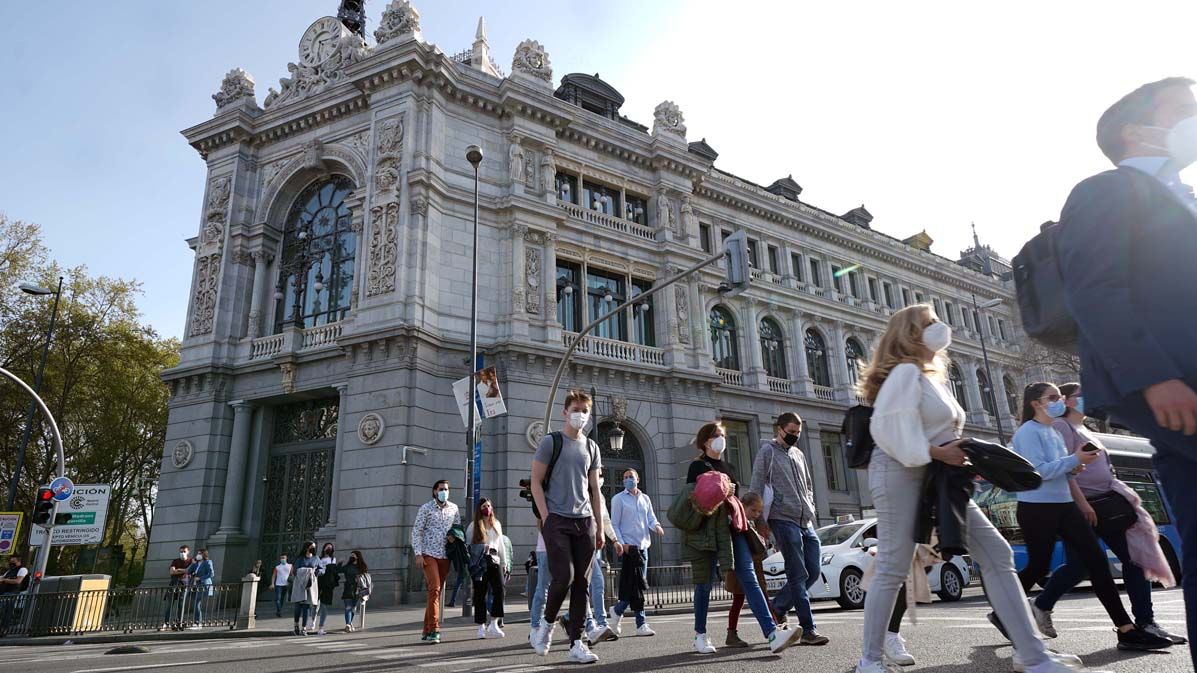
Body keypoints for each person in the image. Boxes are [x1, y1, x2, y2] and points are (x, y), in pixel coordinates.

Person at [855, 304, 1096, 673]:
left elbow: (938, 429)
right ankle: (869, 661)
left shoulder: (932, 378)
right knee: (893, 564)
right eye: (930, 323)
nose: (940, 328)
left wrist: (963, 455)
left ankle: (1032, 655)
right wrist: (938, 451)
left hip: (942, 475)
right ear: (911, 334)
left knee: (997, 554)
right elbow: (886, 430)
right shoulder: (904, 373)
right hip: (899, 471)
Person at [1056, 76, 1197, 664]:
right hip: (1176, 380)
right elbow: (1096, 288)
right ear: (1138, 131)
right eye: (1184, 110)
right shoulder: (1107, 190)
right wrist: (1153, 375)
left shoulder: (1181, 196)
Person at [1008, 382, 1170, 651]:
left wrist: (1077, 465)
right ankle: (1005, 611)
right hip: (1039, 508)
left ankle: (1127, 629)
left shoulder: (1052, 431)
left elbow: (1064, 469)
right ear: (1035, 403)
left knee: (1096, 565)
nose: (1058, 401)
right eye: (1052, 397)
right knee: (1038, 567)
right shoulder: (1028, 432)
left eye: (1060, 397)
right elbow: (1039, 471)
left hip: (1064, 505)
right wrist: (1075, 461)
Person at [682, 422, 801, 655]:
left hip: (734, 528)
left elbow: (737, 502)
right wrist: (719, 490)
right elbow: (693, 501)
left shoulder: (729, 466)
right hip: (708, 529)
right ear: (705, 440)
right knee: (704, 584)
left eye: (723, 435)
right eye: (716, 435)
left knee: (749, 577)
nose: (721, 439)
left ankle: (772, 633)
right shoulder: (696, 467)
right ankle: (700, 635)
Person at [529, 389, 604, 664]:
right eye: (576, 409)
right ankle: (546, 626)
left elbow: (595, 489)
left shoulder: (592, 447)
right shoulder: (552, 442)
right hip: (557, 520)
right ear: (565, 411)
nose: (581, 415)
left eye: (585, 410)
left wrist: (598, 523)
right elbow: (535, 480)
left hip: (585, 522)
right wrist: (546, 516)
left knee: (582, 583)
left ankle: (577, 642)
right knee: (565, 577)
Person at [749, 412, 826, 646]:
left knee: (813, 570)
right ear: (779, 429)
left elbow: (809, 486)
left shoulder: (799, 454)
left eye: (798, 433)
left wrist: (810, 505)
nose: (795, 436)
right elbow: (756, 485)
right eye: (791, 432)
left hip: (805, 520)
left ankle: (779, 605)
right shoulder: (768, 452)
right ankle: (809, 629)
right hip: (782, 519)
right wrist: (759, 521)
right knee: (797, 573)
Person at [561, 473, 617, 645]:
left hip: (594, 545)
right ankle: (594, 625)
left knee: (596, 584)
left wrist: (614, 540)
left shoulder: (598, 494)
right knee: (588, 584)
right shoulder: (577, 489)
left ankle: (572, 618)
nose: (599, 475)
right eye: (597, 472)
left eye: (601, 473)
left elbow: (605, 520)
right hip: (580, 542)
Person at [609, 467, 664, 637]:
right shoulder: (618, 499)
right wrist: (621, 543)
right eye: (625, 477)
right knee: (636, 586)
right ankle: (640, 623)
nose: (628, 479)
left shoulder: (645, 498)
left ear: (638, 479)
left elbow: (650, 517)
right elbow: (614, 524)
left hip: (643, 547)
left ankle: (617, 611)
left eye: (631, 476)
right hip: (629, 549)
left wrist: (657, 526)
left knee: (636, 586)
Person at [724, 491, 775, 648]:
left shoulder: (750, 524)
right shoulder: (738, 523)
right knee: (740, 600)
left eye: (759, 511)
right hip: (741, 569)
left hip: (753, 567)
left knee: (759, 598)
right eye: (753, 510)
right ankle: (732, 633)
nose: (756, 514)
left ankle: (774, 627)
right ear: (742, 506)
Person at [411, 480, 460, 644]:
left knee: (435, 593)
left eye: (446, 489)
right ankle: (434, 629)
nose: (444, 492)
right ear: (434, 492)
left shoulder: (454, 508)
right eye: (441, 489)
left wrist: (454, 536)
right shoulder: (425, 508)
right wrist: (418, 554)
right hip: (428, 554)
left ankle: (426, 630)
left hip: (445, 555)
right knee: (435, 588)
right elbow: (416, 531)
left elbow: (458, 528)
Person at [466, 497, 507, 639]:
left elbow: (501, 544)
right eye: (484, 506)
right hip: (480, 563)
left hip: (494, 561)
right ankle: (481, 625)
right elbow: (468, 546)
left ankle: (494, 622)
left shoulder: (497, 524)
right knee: (480, 593)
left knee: (500, 589)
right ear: (479, 508)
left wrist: (504, 563)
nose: (487, 508)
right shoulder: (474, 526)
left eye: (489, 505)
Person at [528, 527, 553, 645]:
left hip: (565, 547)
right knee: (543, 589)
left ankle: (569, 619)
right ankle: (535, 628)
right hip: (546, 548)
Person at [290, 541, 320, 635]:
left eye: (314, 547)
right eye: (312, 547)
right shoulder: (300, 559)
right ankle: (296, 625)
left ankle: (304, 628)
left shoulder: (316, 558)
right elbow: (295, 571)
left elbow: (321, 568)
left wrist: (316, 572)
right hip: (299, 584)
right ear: (307, 548)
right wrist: (307, 571)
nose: (313, 548)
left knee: (307, 606)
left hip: (310, 585)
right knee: (298, 606)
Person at [313, 542, 340, 635]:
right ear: (324, 548)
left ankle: (321, 627)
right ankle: (312, 621)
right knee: (314, 604)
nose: (329, 549)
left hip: (327, 584)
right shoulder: (318, 558)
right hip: (318, 582)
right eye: (327, 547)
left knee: (324, 606)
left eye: (331, 548)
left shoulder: (333, 559)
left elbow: (333, 571)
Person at [161, 545, 191, 629]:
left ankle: (179, 622)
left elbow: (189, 570)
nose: (182, 553)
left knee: (181, 604)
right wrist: (183, 570)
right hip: (173, 584)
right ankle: (166, 622)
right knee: (169, 604)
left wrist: (178, 570)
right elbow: (171, 572)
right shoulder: (175, 561)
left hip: (184, 584)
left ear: (188, 552)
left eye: (184, 551)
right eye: (181, 551)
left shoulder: (190, 561)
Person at [0, 555, 29, 634]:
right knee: (4, 611)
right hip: (3, 592)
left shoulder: (22, 569)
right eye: (11, 562)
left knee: (5, 611)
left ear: (18, 562)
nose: (11, 563)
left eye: (13, 562)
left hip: (11, 592)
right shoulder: (9, 570)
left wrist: (4, 580)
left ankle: (4, 629)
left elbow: (18, 581)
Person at [186, 548, 214, 630]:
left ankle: (198, 623)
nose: (198, 555)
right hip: (195, 586)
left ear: (204, 555)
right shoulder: (196, 564)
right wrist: (193, 563)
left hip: (203, 585)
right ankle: (196, 622)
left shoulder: (208, 562)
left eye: (200, 553)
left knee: (196, 603)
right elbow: (189, 571)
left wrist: (200, 578)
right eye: (197, 553)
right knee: (195, 603)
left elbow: (211, 574)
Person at [341, 550, 367, 632]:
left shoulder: (362, 566)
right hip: (348, 589)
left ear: (358, 557)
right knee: (348, 607)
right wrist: (339, 563)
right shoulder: (347, 566)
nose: (352, 557)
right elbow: (338, 570)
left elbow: (366, 577)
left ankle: (349, 623)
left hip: (357, 589)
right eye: (351, 555)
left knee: (353, 608)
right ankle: (348, 624)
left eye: (353, 555)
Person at [271, 553, 291, 619]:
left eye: (284, 558)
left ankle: (278, 610)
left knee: (282, 599)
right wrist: (272, 583)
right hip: (278, 584)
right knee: (278, 599)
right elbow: (274, 575)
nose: (282, 559)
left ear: (286, 558)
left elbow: (292, 575)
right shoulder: (277, 567)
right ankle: (279, 611)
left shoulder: (290, 566)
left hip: (286, 584)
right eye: (281, 558)